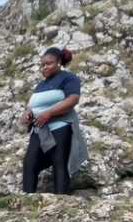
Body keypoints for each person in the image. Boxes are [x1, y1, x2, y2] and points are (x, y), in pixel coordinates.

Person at [22, 47, 88, 195]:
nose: (44, 67)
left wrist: (50, 113)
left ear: (58, 62)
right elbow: (33, 105)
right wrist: (28, 113)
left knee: (59, 163)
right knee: (29, 163)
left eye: (49, 63)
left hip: (60, 126)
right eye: (42, 65)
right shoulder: (41, 85)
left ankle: (60, 199)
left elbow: (73, 99)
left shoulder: (68, 78)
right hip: (40, 129)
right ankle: (27, 201)